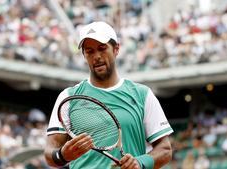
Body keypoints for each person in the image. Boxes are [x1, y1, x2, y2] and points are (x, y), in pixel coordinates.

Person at [44, 21, 173, 169]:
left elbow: (165, 149)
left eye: (102, 48)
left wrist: (140, 162)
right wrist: (62, 155)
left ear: (116, 49)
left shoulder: (142, 94)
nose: (96, 56)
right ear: (84, 55)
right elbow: (49, 153)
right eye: (89, 51)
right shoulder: (68, 97)